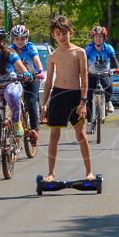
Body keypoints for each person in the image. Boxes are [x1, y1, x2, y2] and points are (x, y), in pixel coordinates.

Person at [41, 15, 95, 183]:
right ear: (53, 35)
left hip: (75, 95)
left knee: (81, 133)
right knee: (54, 134)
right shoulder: (52, 56)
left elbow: (84, 78)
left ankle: (89, 171)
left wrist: (83, 102)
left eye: (64, 33)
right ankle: (51, 173)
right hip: (58, 95)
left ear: (71, 33)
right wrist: (44, 105)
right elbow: (49, 81)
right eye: (58, 34)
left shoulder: (79, 52)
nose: (62, 37)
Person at [9, 24, 45, 139]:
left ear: (27, 39)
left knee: (31, 100)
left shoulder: (30, 47)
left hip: (32, 77)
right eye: (17, 39)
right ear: (13, 40)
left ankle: (34, 130)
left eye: (22, 39)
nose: (20, 41)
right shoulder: (10, 49)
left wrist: (40, 71)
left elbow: (36, 58)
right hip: (16, 78)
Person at [84, 26, 119, 134]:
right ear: (93, 38)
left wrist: (118, 68)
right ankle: (89, 123)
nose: (98, 39)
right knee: (89, 96)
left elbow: (114, 59)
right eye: (96, 37)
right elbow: (83, 60)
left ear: (104, 38)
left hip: (105, 73)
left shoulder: (108, 48)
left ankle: (108, 102)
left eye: (100, 37)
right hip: (91, 74)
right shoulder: (89, 48)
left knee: (109, 86)